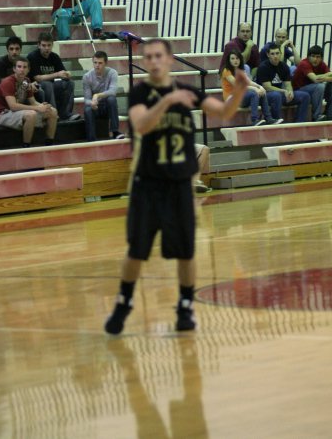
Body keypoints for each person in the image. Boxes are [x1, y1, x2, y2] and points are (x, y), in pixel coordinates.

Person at [104, 38, 248, 336]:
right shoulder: (140, 93)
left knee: (185, 251)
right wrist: (168, 100)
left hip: (180, 185)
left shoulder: (189, 92)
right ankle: (124, 301)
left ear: (170, 60)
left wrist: (240, 91)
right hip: (148, 184)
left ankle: (185, 306)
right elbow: (141, 124)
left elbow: (223, 113)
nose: (153, 60)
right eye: (148, 57)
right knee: (137, 251)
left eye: (159, 55)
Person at [0, 57, 58, 148]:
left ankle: (49, 145)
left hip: (16, 113)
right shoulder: (7, 82)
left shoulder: (26, 81)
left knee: (52, 111)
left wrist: (43, 106)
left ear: (28, 70)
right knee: (30, 115)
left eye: (24, 67)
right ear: (14, 69)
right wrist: (37, 108)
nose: (22, 70)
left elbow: (33, 102)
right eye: (19, 67)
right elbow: (13, 106)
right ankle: (26, 147)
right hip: (2, 114)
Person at [220, 48, 282, 126]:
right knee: (253, 93)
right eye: (232, 58)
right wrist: (254, 89)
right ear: (229, 60)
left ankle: (268, 118)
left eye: (237, 58)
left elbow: (248, 82)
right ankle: (254, 120)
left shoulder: (240, 70)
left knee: (262, 93)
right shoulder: (226, 70)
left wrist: (260, 87)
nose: (235, 60)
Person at [27, 33, 80, 121]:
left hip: (51, 86)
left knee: (69, 83)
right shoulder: (33, 56)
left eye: (49, 45)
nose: (47, 48)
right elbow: (37, 78)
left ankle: (66, 114)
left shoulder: (54, 57)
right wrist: (57, 74)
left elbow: (62, 72)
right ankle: (53, 114)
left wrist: (67, 75)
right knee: (47, 84)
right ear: (39, 45)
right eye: (44, 45)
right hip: (35, 87)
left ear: (52, 45)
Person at [256, 43, 310, 123]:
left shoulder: (284, 66)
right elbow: (267, 87)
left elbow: (288, 84)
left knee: (305, 96)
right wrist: (284, 91)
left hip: (280, 93)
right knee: (276, 95)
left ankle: (299, 122)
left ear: (280, 54)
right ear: (268, 55)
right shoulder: (263, 67)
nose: (275, 56)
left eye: (277, 53)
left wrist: (290, 92)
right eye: (272, 54)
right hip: (266, 95)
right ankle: (276, 120)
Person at [292, 45, 332, 121]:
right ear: (308, 57)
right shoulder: (304, 64)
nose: (315, 59)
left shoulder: (322, 64)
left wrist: (326, 77)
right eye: (313, 56)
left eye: (318, 57)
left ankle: (331, 114)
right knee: (320, 86)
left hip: (315, 90)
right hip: (299, 90)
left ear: (321, 58)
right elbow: (315, 79)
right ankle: (317, 115)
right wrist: (327, 75)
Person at [82, 51, 124, 141]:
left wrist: (97, 95)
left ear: (105, 63)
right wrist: (92, 103)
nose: (97, 65)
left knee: (111, 99)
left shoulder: (112, 73)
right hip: (95, 107)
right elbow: (86, 99)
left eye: (100, 63)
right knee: (87, 108)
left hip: (107, 107)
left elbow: (113, 91)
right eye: (95, 62)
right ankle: (91, 139)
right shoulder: (87, 77)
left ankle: (115, 132)